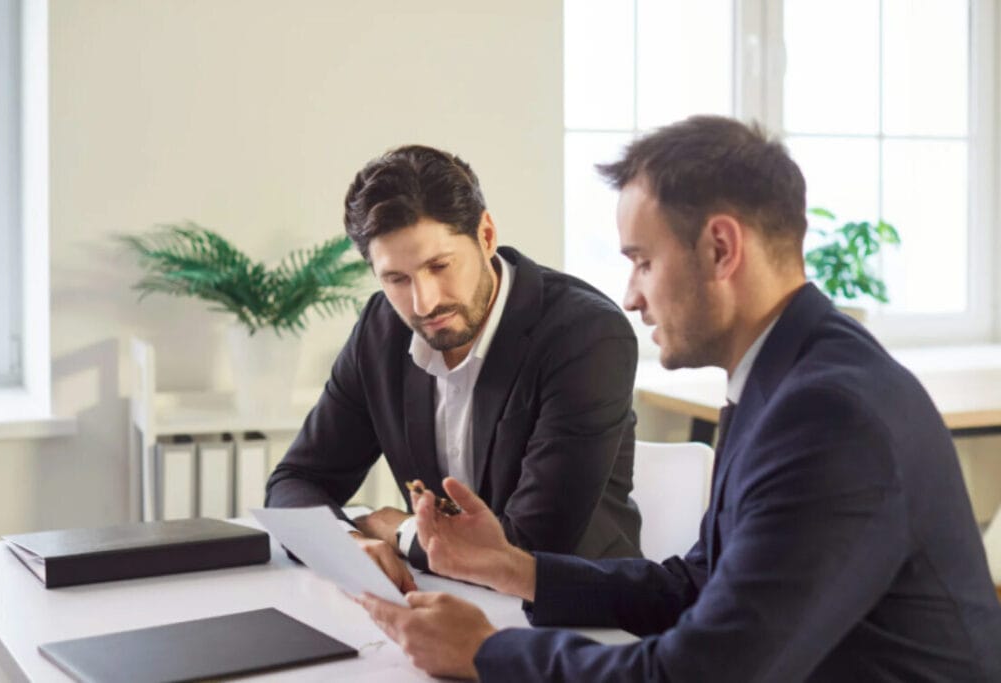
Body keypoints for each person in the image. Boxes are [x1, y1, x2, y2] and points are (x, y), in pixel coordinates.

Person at [357, 116, 1001, 681]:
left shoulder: (829, 415)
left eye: (642, 261)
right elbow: (699, 583)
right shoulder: (787, 377)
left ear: (721, 249)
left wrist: (486, 654)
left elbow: (699, 672)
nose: (631, 296)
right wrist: (513, 567)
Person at [266, 144, 642, 593]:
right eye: (397, 279)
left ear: (485, 235)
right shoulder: (382, 329)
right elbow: (296, 481)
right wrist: (347, 540)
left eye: (439, 266)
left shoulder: (587, 335)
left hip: (574, 618)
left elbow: (528, 548)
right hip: (441, 598)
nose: (424, 303)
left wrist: (394, 528)